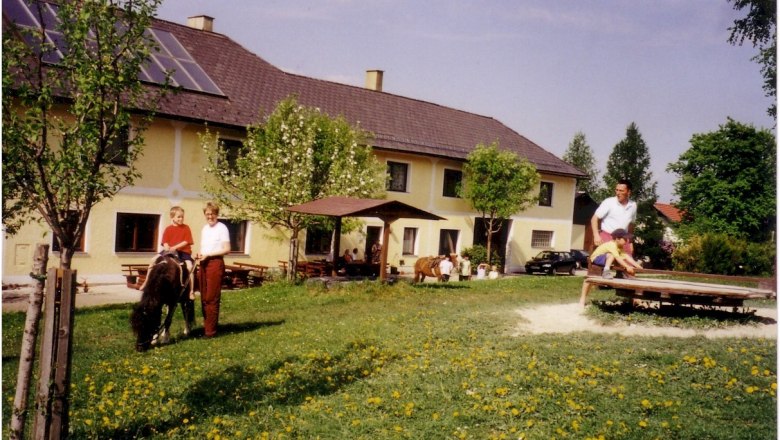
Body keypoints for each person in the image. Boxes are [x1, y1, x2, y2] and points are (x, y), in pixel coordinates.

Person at [138, 206, 195, 299]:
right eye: (178, 217)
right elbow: (165, 241)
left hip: (183, 252)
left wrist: (175, 247)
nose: (181, 219)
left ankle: (191, 291)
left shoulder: (186, 228)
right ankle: (146, 282)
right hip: (170, 250)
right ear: (172, 218)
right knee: (153, 260)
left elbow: (186, 241)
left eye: (182, 217)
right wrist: (166, 246)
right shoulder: (168, 229)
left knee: (189, 267)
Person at [195, 201, 231, 338]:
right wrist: (199, 255)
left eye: (212, 214)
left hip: (215, 264)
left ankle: (211, 332)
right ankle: (207, 327)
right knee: (204, 297)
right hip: (203, 264)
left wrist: (208, 255)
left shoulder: (222, 228)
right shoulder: (205, 229)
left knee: (212, 298)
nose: (210, 216)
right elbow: (205, 248)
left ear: (217, 214)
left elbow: (227, 249)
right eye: (207, 214)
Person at [590, 179, 637, 255]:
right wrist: (596, 236)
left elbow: (631, 225)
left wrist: (631, 242)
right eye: (617, 190)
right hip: (607, 237)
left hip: (622, 239)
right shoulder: (609, 202)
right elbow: (594, 219)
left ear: (628, 192)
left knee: (629, 263)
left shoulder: (633, 205)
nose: (618, 193)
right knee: (611, 258)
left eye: (621, 191)